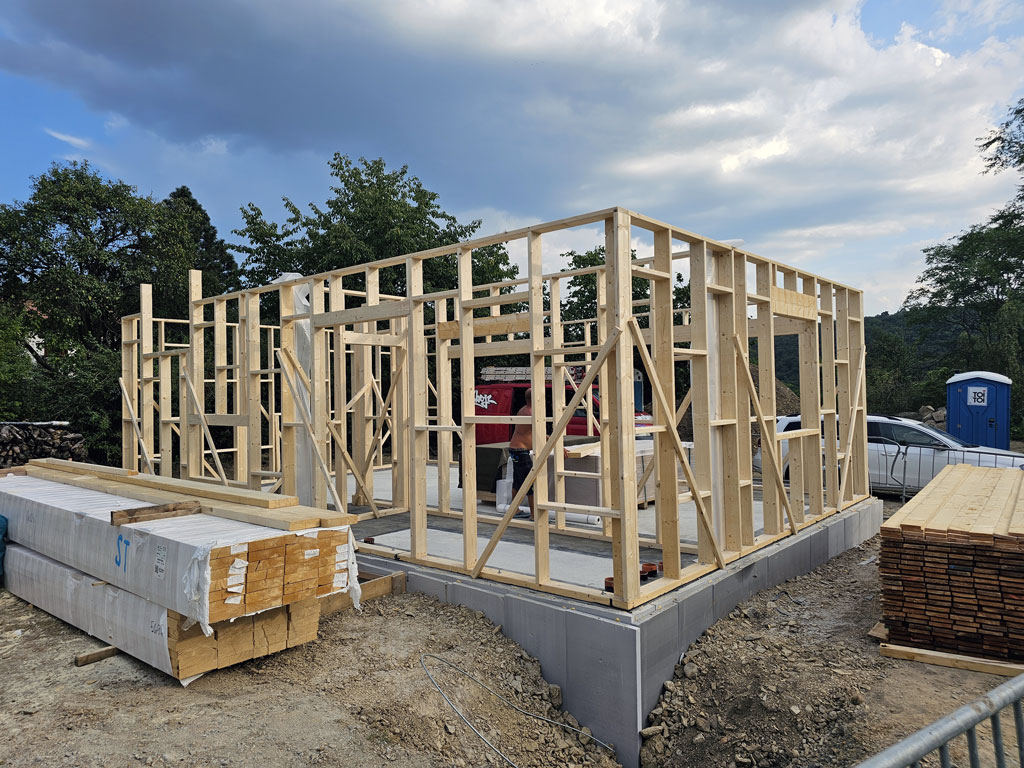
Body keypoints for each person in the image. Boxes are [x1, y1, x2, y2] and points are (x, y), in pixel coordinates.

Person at [508, 388, 535, 521]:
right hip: (521, 451)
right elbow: (539, 433)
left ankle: (515, 510)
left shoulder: (523, 410)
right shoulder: (530, 413)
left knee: (518, 482)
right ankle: (534, 515)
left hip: (515, 450)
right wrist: (557, 445)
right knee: (531, 483)